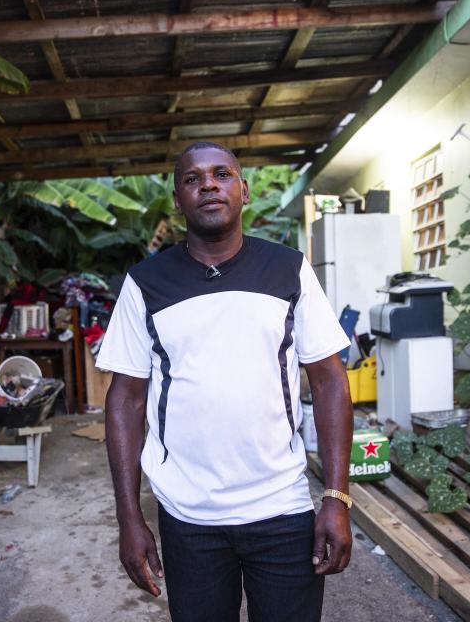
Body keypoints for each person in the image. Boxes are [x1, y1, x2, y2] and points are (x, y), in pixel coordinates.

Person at [96, 141, 354, 622]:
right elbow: (125, 402)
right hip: (189, 516)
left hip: (281, 507)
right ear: (177, 200)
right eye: (192, 179)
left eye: (221, 174)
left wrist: (337, 499)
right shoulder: (145, 283)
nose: (208, 185)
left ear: (244, 190)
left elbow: (329, 382)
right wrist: (128, 518)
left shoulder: (288, 268)